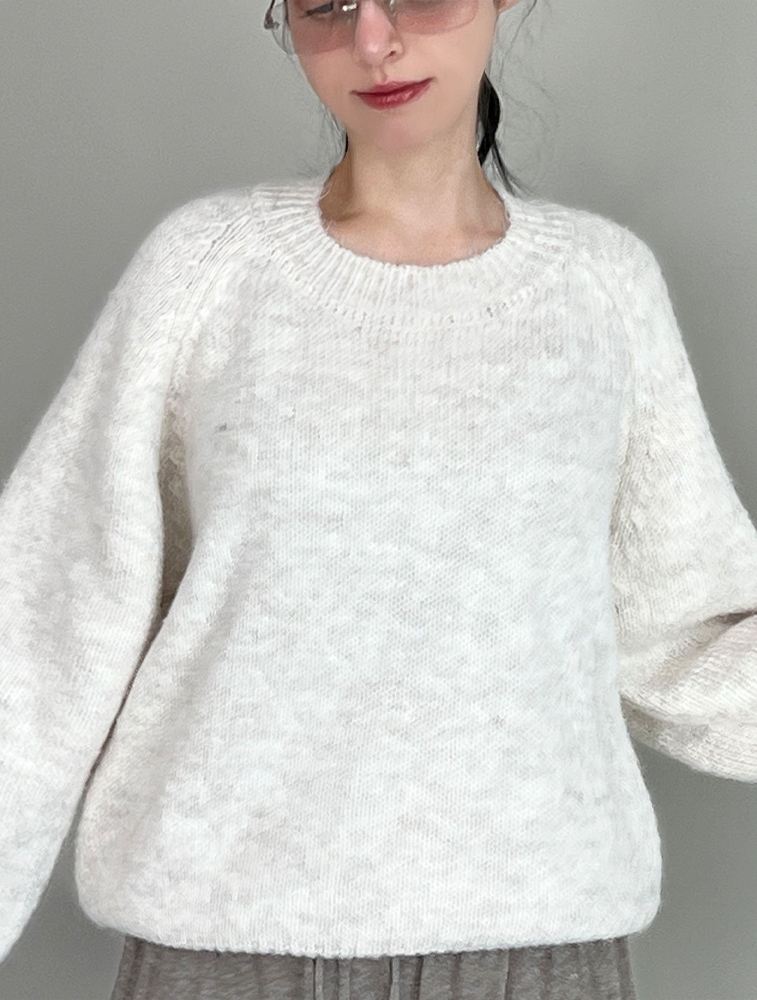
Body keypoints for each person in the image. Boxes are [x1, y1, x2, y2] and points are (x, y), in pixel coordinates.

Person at [1, 0, 756, 998]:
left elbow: (683, 636)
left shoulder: (603, 289)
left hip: (537, 948)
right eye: (326, 4)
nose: (372, 40)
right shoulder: (206, 273)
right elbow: (45, 622)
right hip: (225, 944)